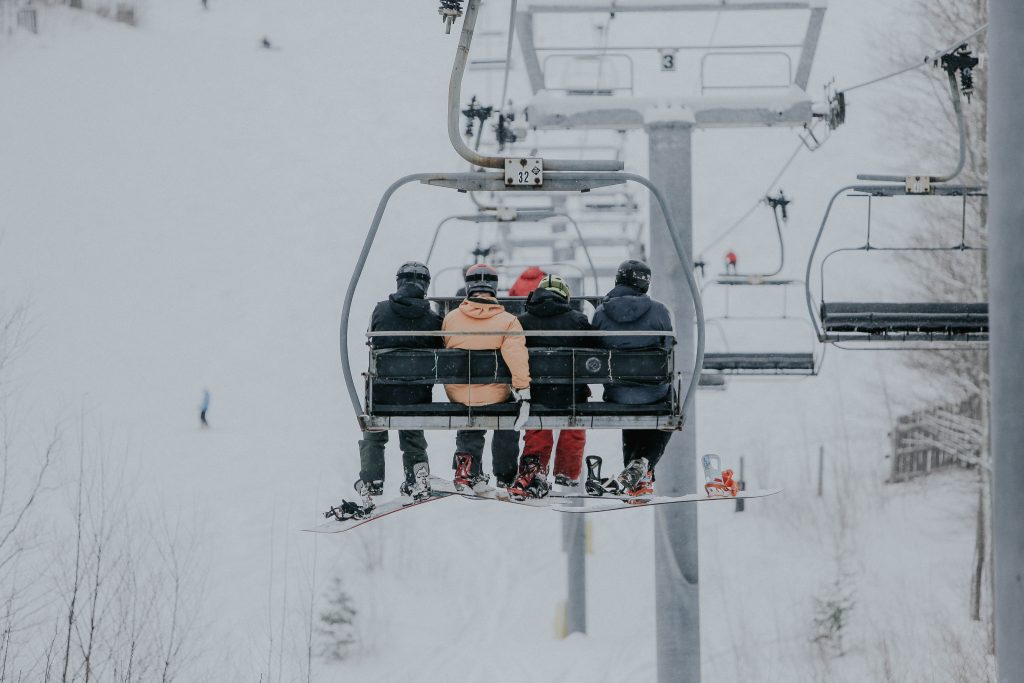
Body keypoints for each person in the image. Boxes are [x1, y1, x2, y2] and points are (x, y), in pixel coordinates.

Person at [355, 262, 443, 506]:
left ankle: (372, 479)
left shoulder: (381, 311)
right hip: (417, 397)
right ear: (425, 286)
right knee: (410, 415)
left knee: (374, 426)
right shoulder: (434, 319)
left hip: (382, 395)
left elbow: (372, 342)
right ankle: (417, 471)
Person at [443, 263, 531, 490]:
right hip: (495, 394)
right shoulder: (509, 321)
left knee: (470, 404)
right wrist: (523, 391)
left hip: (460, 393)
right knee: (507, 411)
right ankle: (505, 473)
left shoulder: (451, 319)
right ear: (494, 288)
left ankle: (466, 466)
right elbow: (517, 359)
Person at [591, 259, 674, 496]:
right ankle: (643, 464)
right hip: (654, 393)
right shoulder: (660, 312)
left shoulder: (600, 313)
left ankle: (636, 466)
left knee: (627, 396)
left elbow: (595, 349)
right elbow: (667, 347)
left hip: (617, 393)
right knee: (667, 405)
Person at [509, 274, 593, 499]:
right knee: (574, 421)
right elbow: (593, 353)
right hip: (570, 395)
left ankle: (534, 467)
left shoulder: (522, 321)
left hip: (536, 394)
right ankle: (567, 470)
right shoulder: (578, 320)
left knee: (537, 425)